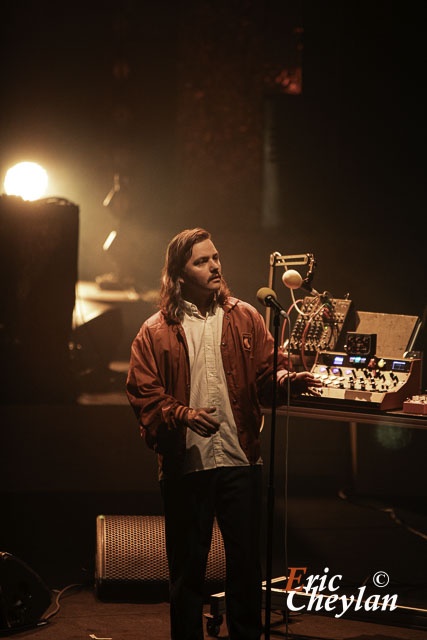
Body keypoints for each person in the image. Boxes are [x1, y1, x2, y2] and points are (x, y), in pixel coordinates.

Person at [126, 228, 321, 640]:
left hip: (240, 460)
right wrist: (181, 413)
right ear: (178, 274)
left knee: (246, 569)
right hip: (187, 464)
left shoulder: (246, 316)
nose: (214, 265)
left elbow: (266, 377)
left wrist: (287, 380)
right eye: (201, 261)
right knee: (187, 573)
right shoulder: (154, 330)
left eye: (215, 257)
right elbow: (144, 393)